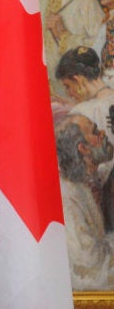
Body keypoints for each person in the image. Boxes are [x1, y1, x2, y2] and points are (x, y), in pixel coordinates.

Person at [55, 114, 114, 290]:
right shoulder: (68, 198)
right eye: (96, 132)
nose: (103, 133)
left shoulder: (97, 177)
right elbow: (90, 270)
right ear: (83, 148)